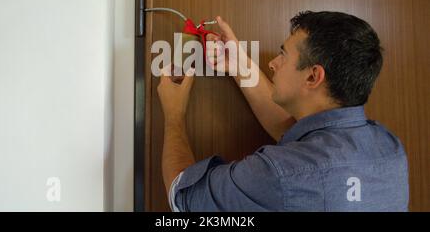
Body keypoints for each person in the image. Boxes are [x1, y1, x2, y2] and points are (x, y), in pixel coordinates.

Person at [157, 11, 409, 211]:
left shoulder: (279, 174)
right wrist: (239, 66)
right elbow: (298, 138)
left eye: (283, 54)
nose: (272, 63)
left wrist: (174, 114)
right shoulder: (389, 149)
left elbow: (184, 198)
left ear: (313, 76)